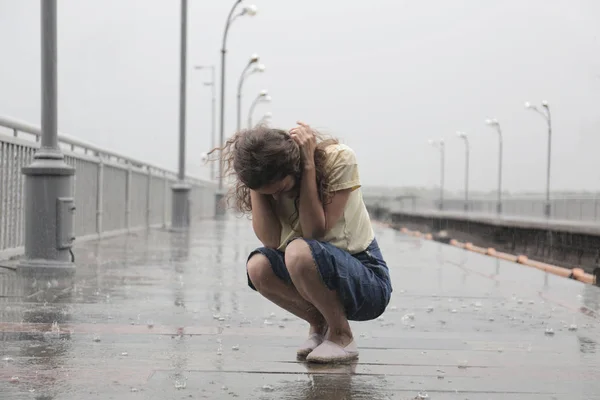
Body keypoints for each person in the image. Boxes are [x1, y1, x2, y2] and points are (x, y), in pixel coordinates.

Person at [214, 121, 392, 363]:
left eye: (281, 188)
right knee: (258, 266)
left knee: (298, 249)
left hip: (365, 281)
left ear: (294, 168)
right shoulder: (264, 180)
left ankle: (342, 336)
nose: (277, 195)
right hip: (311, 274)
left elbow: (314, 232)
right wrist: (255, 182)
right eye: (268, 192)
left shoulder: (339, 158)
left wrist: (308, 166)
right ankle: (320, 326)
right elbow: (271, 240)